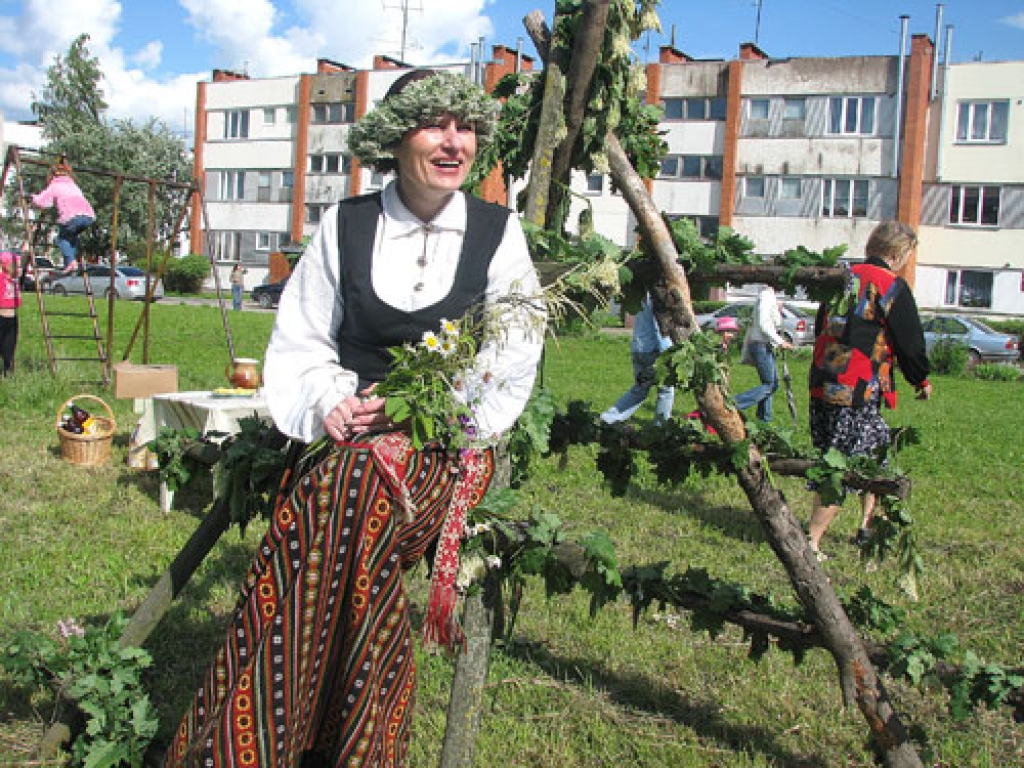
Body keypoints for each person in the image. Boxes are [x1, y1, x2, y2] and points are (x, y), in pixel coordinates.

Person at [164, 70, 544, 768]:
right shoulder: (347, 224)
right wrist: (330, 399)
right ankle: (347, 741)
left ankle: (262, 730)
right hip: (346, 435)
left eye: (466, 127)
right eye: (436, 126)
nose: (454, 142)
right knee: (348, 489)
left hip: (445, 444)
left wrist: (436, 408)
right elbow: (304, 336)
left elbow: (513, 352)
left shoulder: (498, 233)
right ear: (396, 138)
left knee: (352, 491)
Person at [806, 221, 932, 557]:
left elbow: (822, 324)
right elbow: (910, 342)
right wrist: (920, 378)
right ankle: (810, 542)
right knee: (840, 463)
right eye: (905, 256)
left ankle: (866, 526)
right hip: (856, 384)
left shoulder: (843, 276)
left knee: (876, 450)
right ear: (894, 254)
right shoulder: (891, 286)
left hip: (825, 376)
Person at [600, 293, 674, 425]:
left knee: (640, 389)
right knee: (666, 389)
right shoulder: (659, 297)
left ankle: (608, 418)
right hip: (655, 350)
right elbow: (659, 328)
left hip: (639, 347)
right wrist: (666, 354)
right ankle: (661, 427)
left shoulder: (643, 295)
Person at [733, 285, 792, 421]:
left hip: (764, 344)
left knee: (771, 383)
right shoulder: (766, 296)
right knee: (770, 384)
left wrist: (777, 310)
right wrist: (780, 341)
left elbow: (775, 322)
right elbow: (763, 324)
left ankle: (764, 419)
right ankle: (736, 403)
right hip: (760, 344)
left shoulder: (769, 296)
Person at [31, 160, 95, 274]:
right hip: (88, 216)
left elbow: (43, 202)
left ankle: (70, 261)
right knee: (72, 236)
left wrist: (32, 198)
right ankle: (71, 261)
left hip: (72, 216)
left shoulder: (54, 185)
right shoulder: (72, 184)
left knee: (61, 239)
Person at [0, 250, 20, 376]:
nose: (17, 267)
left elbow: (24, 256)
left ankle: (8, 373)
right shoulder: (1, 276)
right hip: (0, 317)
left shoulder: (15, 278)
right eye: (14, 264)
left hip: (12, 318)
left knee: (9, 348)